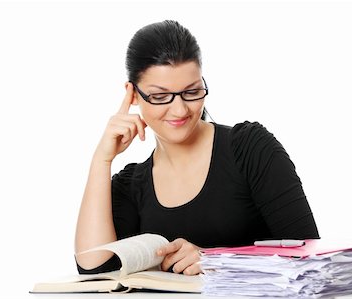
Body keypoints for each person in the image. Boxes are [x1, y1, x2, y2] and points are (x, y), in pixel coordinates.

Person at [74, 20, 319, 276]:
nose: (180, 110)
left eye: (192, 92)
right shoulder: (130, 185)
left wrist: (216, 261)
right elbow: (95, 268)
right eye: (160, 97)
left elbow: (309, 254)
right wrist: (101, 160)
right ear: (133, 94)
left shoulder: (249, 149)